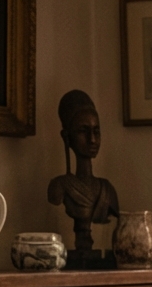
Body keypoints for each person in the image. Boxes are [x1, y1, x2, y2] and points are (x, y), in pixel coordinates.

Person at [47, 90, 120, 253]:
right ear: (67, 137)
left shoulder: (107, 191)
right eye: (83, 131)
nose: (92, 139)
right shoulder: (59, 187)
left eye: (96, 131)